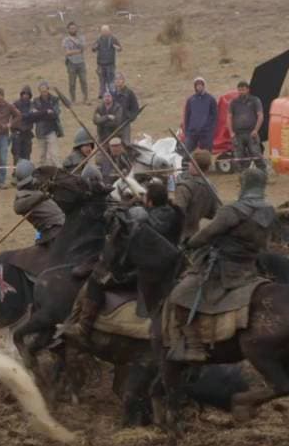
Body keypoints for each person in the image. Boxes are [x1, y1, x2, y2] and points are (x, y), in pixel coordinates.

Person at [166, 167, 275, 360]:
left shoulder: (233, 210)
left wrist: (190, 243)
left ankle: (194, 346)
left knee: (180, 294)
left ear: (244, 185)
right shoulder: (269, 210)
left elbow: (207, 234)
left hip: (224, 267)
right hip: (250, 265)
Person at [68, 180, 178, 342]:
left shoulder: (144, 222)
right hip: (161, 264)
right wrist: (138, 203)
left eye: (146, 197)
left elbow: (131, 231)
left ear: (151, 201)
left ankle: (83, 328)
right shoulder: (170, 213)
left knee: (96, 280)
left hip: (142, 269)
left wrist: (129, 206)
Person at [170, 149, 219, 242]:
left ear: (194, 165)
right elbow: (214, 213)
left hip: (180, 236)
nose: (188, 164)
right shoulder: (211, 187)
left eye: (191, 162)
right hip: (195, 234)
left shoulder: (184, 187)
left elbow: (177, 214)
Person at [13, 160, 64, 244]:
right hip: (51, 231)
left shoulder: (38, 187)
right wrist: (41, 196)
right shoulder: (22, 196)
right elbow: (18, 208)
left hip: (62, 224)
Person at [229, 81, 264, 170]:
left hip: (251, 133)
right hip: (238, 134)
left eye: (243, 90)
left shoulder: (255, 100)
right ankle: (244, 178)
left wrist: (256, 130)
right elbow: (228, 117)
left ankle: (263, 175)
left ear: (248, 90)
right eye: (239, 90)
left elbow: (260, 116)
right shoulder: (233, 102)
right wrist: (231, 132)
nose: (241, 92)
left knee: (256, 154)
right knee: (239, 158)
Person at [31, 81, 63, 167]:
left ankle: (60, 172)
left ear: (48, 90)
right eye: (42, 91)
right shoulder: (35, 101)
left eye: (45, 91)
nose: (44, 93)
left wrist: (41, 113)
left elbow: (56, 113)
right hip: (40, 131)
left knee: (55, 154)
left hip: (51, 130)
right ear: (39, 91)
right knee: (41, 156)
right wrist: (46, 112)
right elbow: (34, 115)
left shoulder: (54, 99)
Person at [182, 77, 217, 153]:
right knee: (187, 153)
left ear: (204, 86)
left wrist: (211, 130)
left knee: (206, 153)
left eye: (201, 84)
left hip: (206, 133)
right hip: (192, 132)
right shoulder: (191, 100)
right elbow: (187, 116)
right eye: (197, 85)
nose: (199, 86)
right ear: (195, 87)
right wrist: (187, 131)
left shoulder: (210, 99)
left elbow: (214, 116)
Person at [91, 25, 123, 99]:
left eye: (106, 31)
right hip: (100, 64)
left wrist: (117, 47)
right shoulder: (98, 39)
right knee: (102, 80)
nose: (105, 33)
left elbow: (120, 48)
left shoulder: (113, 39)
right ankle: (102, 95)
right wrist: (94, 47)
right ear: (101, 32)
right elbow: (93, 49)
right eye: (103, 31)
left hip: (110, 64)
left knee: (111, 80)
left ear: (109, 31)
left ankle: (112, 94)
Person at [63, 22, 90, 104]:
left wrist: (75, 50)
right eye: (71, 28)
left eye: (74, 28)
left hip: (81, 62)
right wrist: (77, 51)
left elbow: (83, 48)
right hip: (71, 63)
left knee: (84, 81)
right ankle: (73, 100)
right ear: (68, 29)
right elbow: (67, 53)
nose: (73, 30)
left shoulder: (81, 38)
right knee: (72, 83)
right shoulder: (66, 40)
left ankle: (85, 98)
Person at [111, 73, 141, 144]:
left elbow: (135, 108)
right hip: (113, 124)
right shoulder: (112, 94)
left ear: (123, 81)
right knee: (115, 144)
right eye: (116, 79)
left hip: (125, 123)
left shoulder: (129, 93)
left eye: (120, 79)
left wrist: (130, 117)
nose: (118, 81)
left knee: (126, 143)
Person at [11, 86, 35, 165]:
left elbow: (31, 115)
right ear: (21, 94)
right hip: (17, 132)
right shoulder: (16, 104)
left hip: (27, 133)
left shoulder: (32, 105)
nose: (25, 95)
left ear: (30, 95)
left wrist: (22, 115)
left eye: (27, 94)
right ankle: (16, 171)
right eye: (24, 94)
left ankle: (26, 172)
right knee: (16, 153)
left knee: (27, 154)